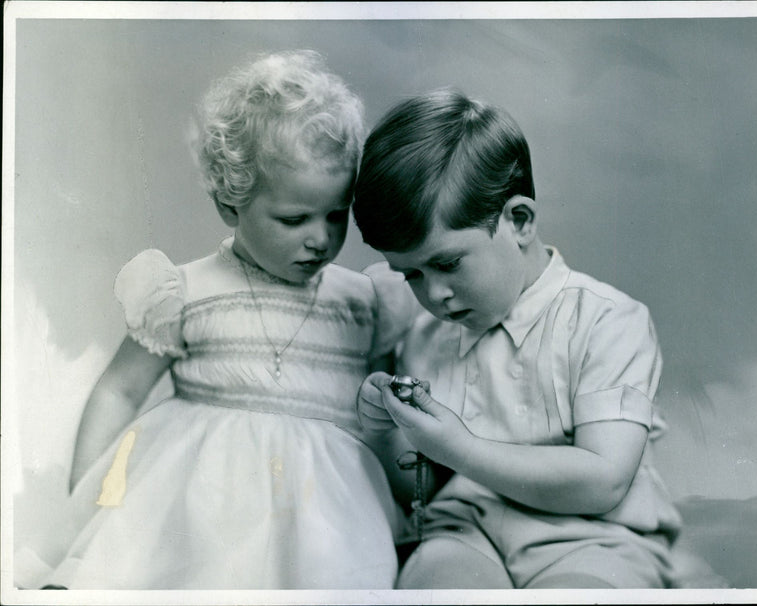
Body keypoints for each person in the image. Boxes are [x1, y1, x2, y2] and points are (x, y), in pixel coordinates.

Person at [24, 50, 414, 590]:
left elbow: (384, 419)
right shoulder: (184, 292)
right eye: (294, 218)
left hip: (323, 519)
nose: (321, 237)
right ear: (232, 203)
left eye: (335, 214)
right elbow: (120, 390)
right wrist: (91, 497)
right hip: (199, 509)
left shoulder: (363, 303)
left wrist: (409, 503)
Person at [351, 88, 683, 589]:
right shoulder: (424, 337)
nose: (434, 294)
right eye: (411, 275)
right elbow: (419, 489)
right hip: (465, 533)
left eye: (446, 263)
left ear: (519, 221)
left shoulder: (608, 321)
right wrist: (385, 429)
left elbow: (603, 481)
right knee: (435, 587)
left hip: (592, 538)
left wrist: (460, 448)